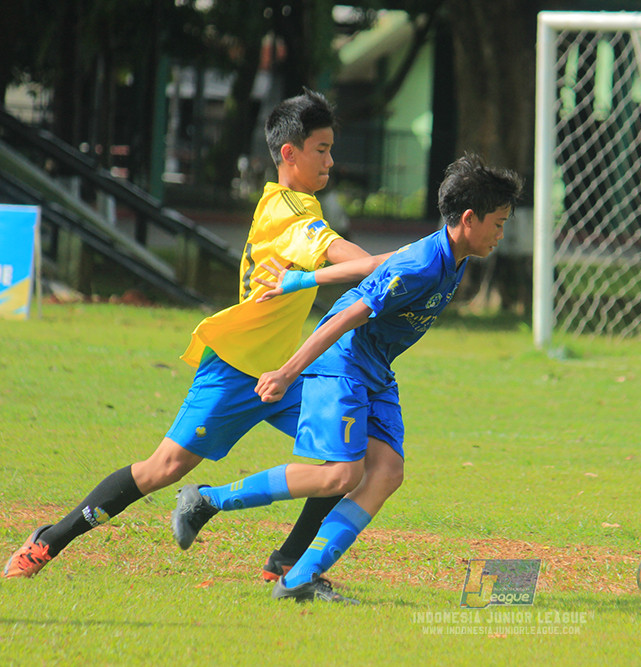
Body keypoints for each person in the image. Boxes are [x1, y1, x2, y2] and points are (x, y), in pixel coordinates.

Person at [4, 89, 390, 579]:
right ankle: (47, 542)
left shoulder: (301, 209)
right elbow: (358, 263)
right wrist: (412, 263)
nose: (331, 162)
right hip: (235, 370)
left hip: (285, 372)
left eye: (331, 150)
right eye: (322, 149)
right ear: (289, 154)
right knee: (162, 469)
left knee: (349, 457)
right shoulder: (288, 215)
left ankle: (287, 564)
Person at [171, 154, 524, 603]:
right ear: (469, 219)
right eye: (498, 223)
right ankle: (207, 500)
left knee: (387, 472)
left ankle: (299, 577)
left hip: (376, 370)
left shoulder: (449, 256)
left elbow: (370, 267)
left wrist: (300, 281)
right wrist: (287, 372)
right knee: (341, 475)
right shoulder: (421, 265)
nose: (501, 234)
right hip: (344, 364)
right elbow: (344, 317)